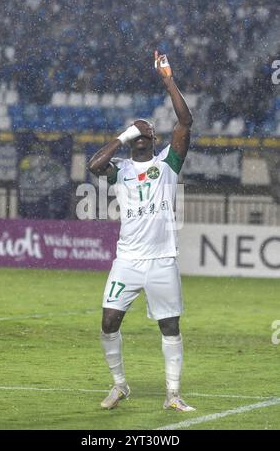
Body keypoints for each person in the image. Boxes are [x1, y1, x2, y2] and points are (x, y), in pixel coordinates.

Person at [88, 51, 195, 412]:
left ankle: (173, 394)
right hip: (128, 261)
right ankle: (119, 386)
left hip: (162, 260)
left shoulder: (167, 163)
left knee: (169, 326)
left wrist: (167, 78)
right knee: (108, 321)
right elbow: (93, 166)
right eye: (137, 130)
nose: (141, 133)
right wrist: (122, 135)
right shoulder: (118, 169)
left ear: (153, 136)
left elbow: (186, 121)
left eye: (145, 129)